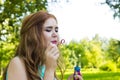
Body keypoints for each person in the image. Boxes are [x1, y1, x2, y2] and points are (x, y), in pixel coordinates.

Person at [2, 10, 63, 80]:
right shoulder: (18, 63)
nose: (55, 34)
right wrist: (49, 71)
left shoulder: (44, 64)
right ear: (33, 35)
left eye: (56, 30)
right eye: (48, 30)